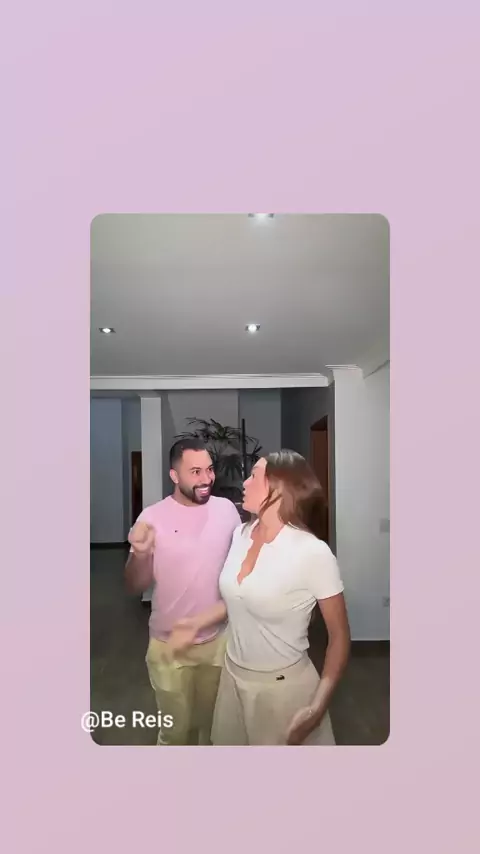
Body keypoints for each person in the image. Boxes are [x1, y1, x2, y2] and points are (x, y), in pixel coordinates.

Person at [167, 449, 351, 746]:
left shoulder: (312, 553)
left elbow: (340, 637)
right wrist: (196, 623)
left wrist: (317, 709)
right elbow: (240, 598)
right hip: (232, 680)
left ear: (279, 487)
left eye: (254, 476)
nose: (244, 482)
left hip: (283, 692)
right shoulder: (240, 534)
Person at [125, 437, 241, 745]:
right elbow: (134, 585)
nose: (206, 479)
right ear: (174, 476)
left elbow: (240, 571)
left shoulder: (227, 511)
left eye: (209, 469)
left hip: (218, 642)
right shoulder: (151, 517)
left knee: (213, 730)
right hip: (168, 647)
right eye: (195, 472)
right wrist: (140, 555)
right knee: (175, 733)